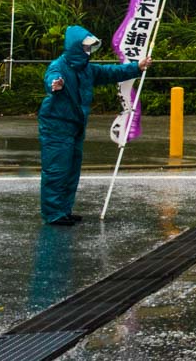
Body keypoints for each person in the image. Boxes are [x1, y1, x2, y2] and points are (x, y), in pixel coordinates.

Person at [39, 25, 151, 226]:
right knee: (56, 169)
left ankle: (64, 209)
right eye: (85, 47)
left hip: (75, 125)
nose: (88, 51)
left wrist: (136, 66)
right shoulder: (59, 66)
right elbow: (51, 78)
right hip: (57, 124)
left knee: (71, 169)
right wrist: (54, 84)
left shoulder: (87, 70)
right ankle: (54, 213)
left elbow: (110, 72)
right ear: (75, 46)